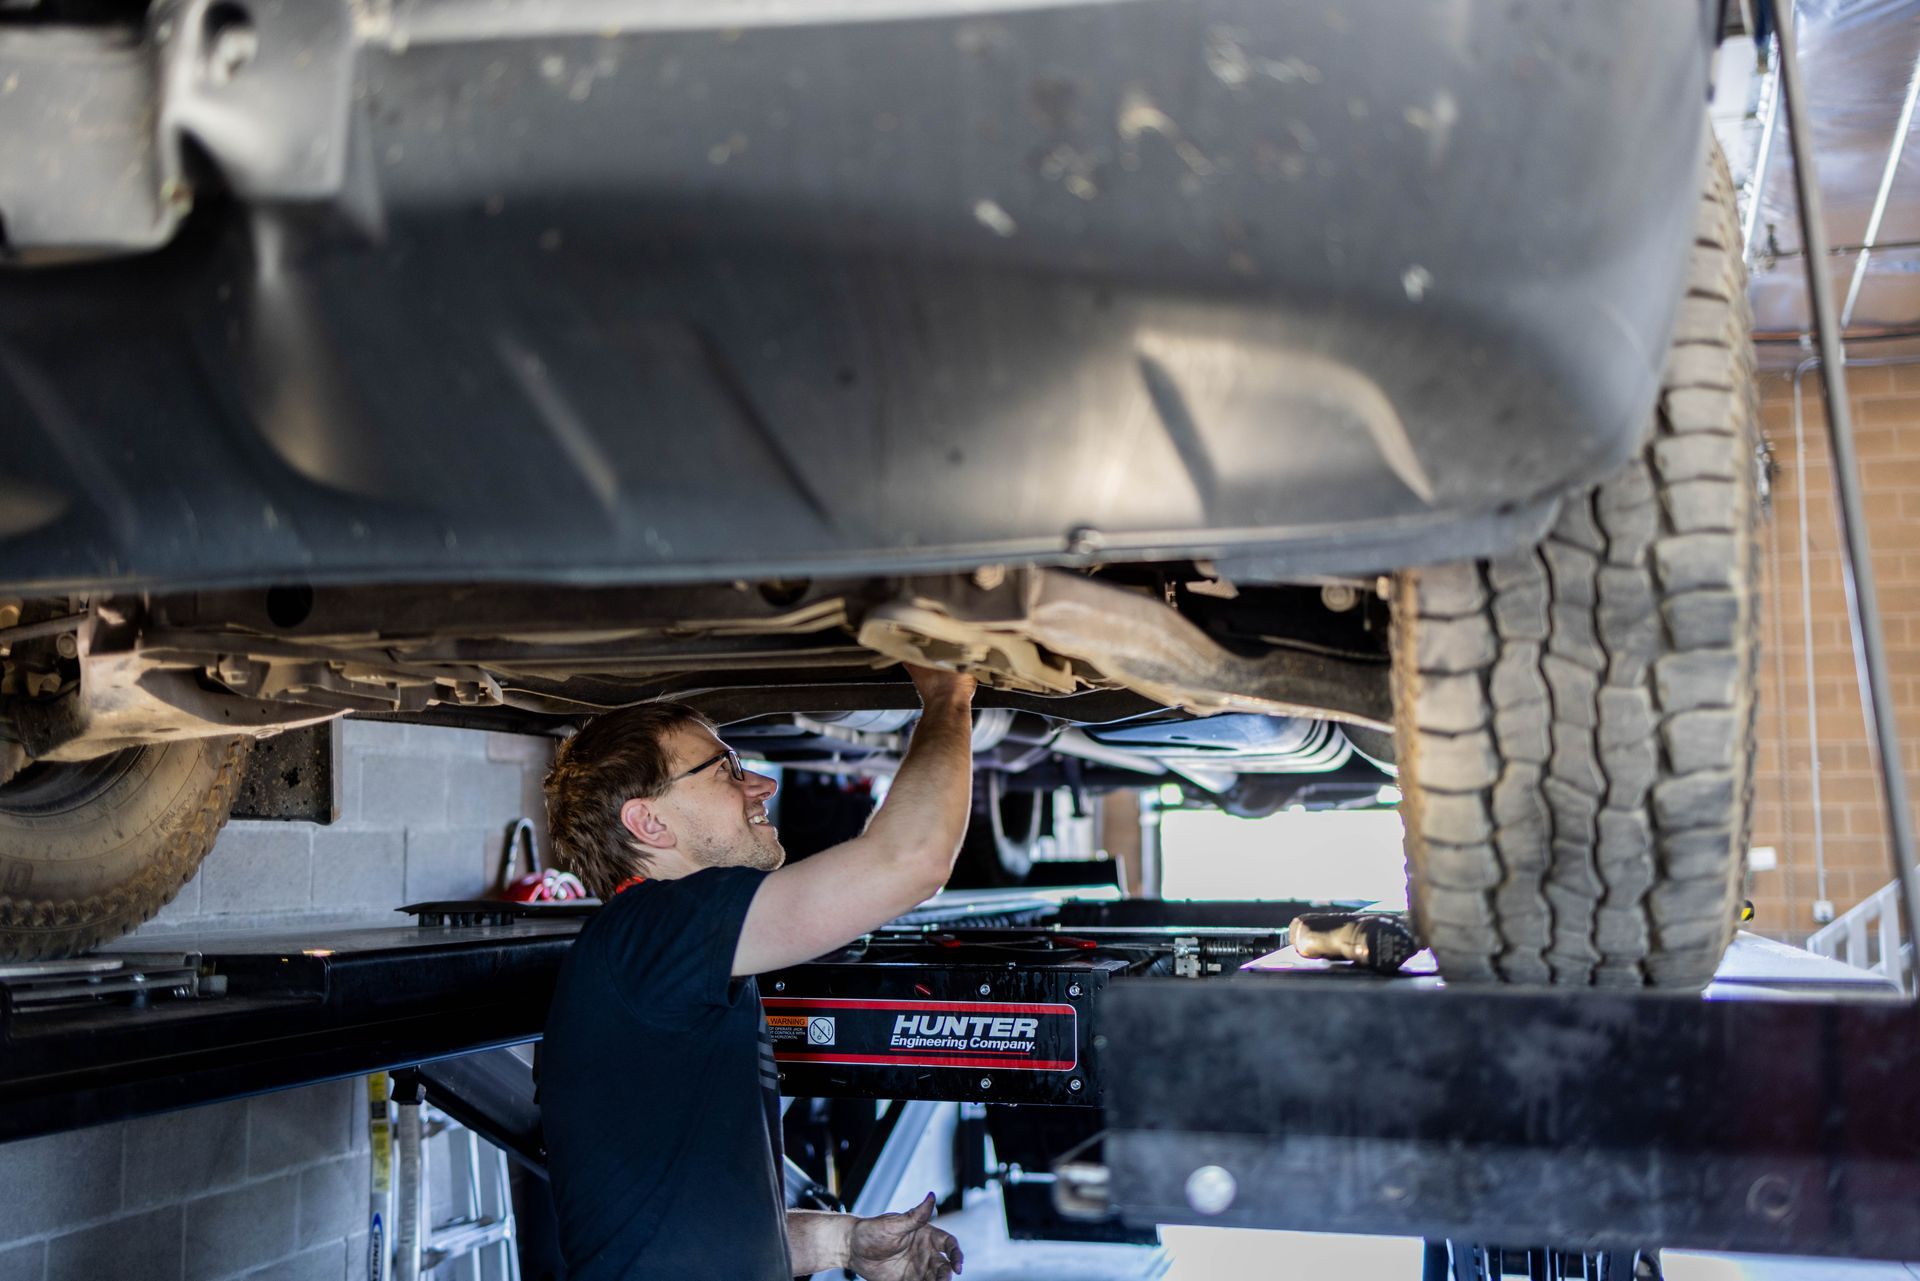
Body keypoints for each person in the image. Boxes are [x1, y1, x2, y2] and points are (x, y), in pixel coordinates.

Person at [538, 665, 975, 1281]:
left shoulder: (655, 949)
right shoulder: (655, 930)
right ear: (649, 824)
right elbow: (910, 864)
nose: (764, 784)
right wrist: (948, 695)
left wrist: (841, 1244)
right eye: (728, 771)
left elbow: (688, 1229)